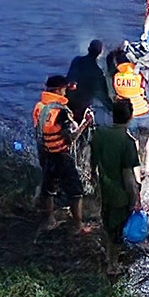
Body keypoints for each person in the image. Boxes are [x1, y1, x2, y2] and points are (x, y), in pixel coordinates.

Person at [32, 74, 94, 233]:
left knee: (49, 189)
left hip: (46, 154)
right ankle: (78, 225)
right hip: (61, 156)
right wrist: (85, 123)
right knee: (76, 191)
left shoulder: (40, 107)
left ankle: (49, 220)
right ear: (59, 90)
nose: (66, 93)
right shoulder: (61, 113)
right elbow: (71, 137)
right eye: (64, 90)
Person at [90, 98, 142, 271]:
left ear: (112, 115)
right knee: (118, 231)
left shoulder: (100, 134)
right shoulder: (128, 142)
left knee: (107, 223)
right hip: (120, 194)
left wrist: (94, 182)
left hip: (104, 188)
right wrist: (134, 197)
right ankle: (113, 265)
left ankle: (108, 255)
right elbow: (127, 175)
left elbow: (93, 163)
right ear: (131, 117)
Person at [110, 43, 149, 171]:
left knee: (133, 141)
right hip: (145, 112)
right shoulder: (139, 75)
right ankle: (148, 166)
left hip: (130, 115)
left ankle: (136, 169)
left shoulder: (116, 77)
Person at [67, 39, 113, 123]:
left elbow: (70, 78)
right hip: (81, 105)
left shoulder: (76, 60)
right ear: (99, 52)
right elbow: (102, 95)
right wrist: (112, 108)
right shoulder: (97, 72)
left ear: (88, 49)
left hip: (68, 99)